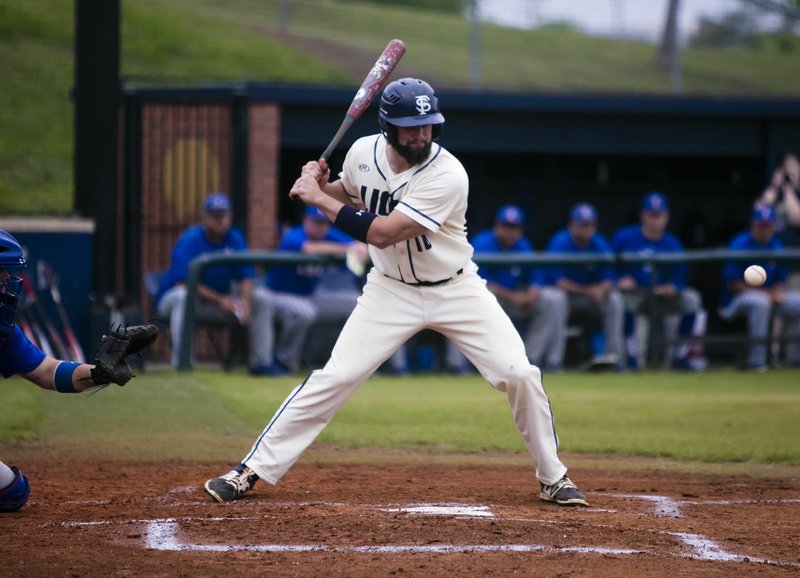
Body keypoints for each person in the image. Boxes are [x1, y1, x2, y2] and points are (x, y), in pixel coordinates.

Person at [203, 77, 587, 507]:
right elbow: (345, 194)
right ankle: (250, 470)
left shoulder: (448, 175)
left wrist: (318, 200)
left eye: (427, 124)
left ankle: (553, 477)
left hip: (456, 289)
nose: (420, 133)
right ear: (388, 127)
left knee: (519, 374)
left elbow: (382, 233)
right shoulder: (362, 152)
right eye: (410, 126)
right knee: (336, 376)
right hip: (389, 290)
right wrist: (319, 184)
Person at [0, 230, 157, 512]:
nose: (8, 285)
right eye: (1, 275)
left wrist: (100, 373)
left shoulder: (4, 335)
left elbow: (47, 371)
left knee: (13, 491)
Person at [266, 206, 410, 373]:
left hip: (310, 296)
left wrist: (360, 249)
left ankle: (366, 366)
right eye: (316, 222)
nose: (321, 227)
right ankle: (284, 364)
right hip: (279, 294)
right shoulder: (294, 235)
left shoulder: (328, 236)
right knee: (303, 312)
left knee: (358, 303)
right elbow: (308, 248)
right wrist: (347, 249)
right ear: (306, 221)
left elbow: (360, 246)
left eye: (324, 223)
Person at [156, 193, 278, 374]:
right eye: (214, 216)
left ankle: (262, 364)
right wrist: (220, 300)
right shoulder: (191, 239)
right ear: (204, 217)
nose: (219, 220)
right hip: (177, 300)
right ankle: (183, 362)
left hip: (218, 301)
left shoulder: (234, 237)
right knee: (183, 298)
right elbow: (184, 283)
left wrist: (244, 301)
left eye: (223, 215)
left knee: (262, 298)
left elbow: (246, 275)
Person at [463, 204, 567, 372]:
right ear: (497, 226)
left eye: (515, 227)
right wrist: (515, 297)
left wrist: (533, 291)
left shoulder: (523, 245)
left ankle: (531, 359)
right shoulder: (482, 243)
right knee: (483, 296)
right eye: (506, 226)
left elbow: (536, 274)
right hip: (494, 302)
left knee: (554, 298)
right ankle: (484, 363)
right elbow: (483, 284)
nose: (511, 231)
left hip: (517, 299)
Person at [611, 191, 707, 371]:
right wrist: (619, 280)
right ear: (643, 216)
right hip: (635, 294)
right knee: (621, 300)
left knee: (691, 299)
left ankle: (680, 356)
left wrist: (673, 287)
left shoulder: (672, 243)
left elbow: (681, 276)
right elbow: (607, 267)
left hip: (661, 296)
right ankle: (631, 358)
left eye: (659, 215)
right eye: (651, 215)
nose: (655, 220)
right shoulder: (624, 237)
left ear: (666, 216)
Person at [719, 204, 800, 371]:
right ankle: (757, 361)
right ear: (753, 224)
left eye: (767, 226)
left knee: (797, 302)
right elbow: (733, 284)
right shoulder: (740, 243)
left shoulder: (776, 246)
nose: (763, 230)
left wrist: (776, 292)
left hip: (769, 297)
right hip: (737, 301)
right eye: (760, 225)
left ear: (773, 226)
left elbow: (780, 280)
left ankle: (795, 359)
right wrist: (769, 294)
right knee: (761, 302)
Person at [544, 203, 624, 369]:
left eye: (589, 225)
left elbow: (610, 277)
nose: (586, 229)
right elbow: (558, 282)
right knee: (557, 299)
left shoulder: (599, 243)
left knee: (615, 299)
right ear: (571, 225)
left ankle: (614, 359)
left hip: (591, 299)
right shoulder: (560, 241)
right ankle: (554, 362)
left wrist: (601, 289)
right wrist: (588, 291)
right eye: (581, 225)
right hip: (569, 299)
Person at [757, 152, 800, 252]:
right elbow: (758, 212)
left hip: (793, 252)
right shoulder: (774, 191)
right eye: (785, 167)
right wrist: (775, 185)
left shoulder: (795, 192)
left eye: (793, 167)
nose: (788, 171)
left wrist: (788, 188)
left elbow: (796, 220)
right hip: (770, 250)